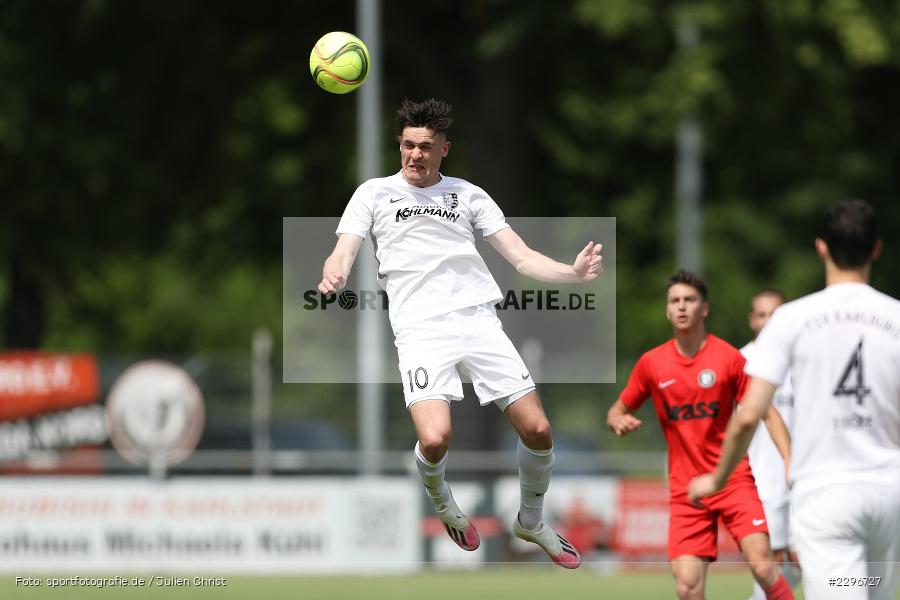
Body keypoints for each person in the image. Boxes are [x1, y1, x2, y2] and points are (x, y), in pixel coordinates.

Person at [318, 98, 602, 569]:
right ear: (399, 144)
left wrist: (573, 274)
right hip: (420, 328)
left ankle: (530, 521)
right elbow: (342, 250)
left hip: (478, 321)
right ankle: (443, 500)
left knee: (538, 429)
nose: (415, 154)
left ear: (444, 149)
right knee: (435, 440)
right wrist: (335, 274)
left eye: (426, 147)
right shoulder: (373, 193)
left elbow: (522, 256)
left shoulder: (467, 195)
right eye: (408, 144)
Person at [689, 199, 900, 600]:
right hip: (889, 493)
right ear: (877, 248)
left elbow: (750, 413)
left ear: (821, 247)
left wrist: (717, 478)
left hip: (827, 495)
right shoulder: (896, 317)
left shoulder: (793, 318)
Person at [607, 269, 794, 600]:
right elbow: (617, 409)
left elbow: (767, 411)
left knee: (764, 567)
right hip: (686, 489)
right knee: (687, 587)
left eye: (689, 300)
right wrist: (618, 420)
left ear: (704, 308)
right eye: (675, 301)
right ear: (667, 309)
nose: (681, 306)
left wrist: (789, 460)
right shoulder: (652, 364)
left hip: (733, 480)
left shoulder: (729, 359)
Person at [743, 289, 801, 600]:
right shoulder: (740, 362)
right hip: (763, 481)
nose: (769, 321)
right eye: (762, 314)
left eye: (775, 314)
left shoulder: (806, 361)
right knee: (772, 562)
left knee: (807, 561)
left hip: (806, 478)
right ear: (752, 320)